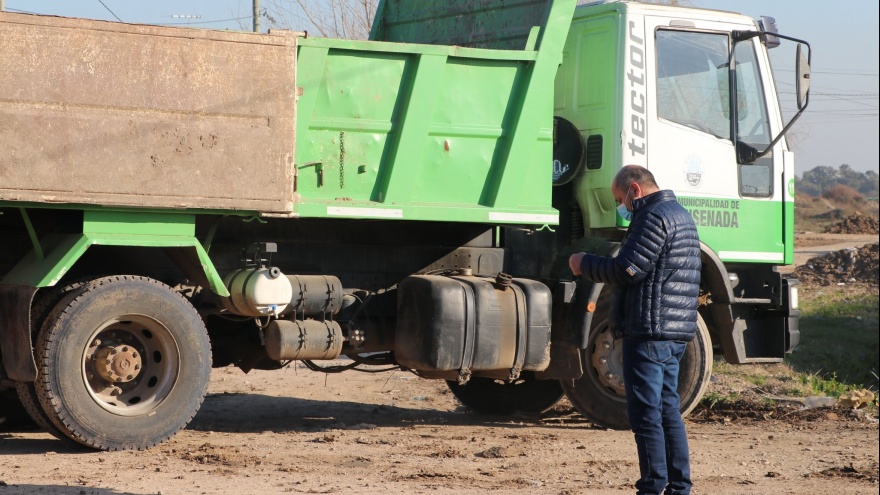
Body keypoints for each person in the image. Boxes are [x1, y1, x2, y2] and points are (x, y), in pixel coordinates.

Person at [569, 165, 700, 495]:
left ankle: (652, 487)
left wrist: (584, 263)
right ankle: (679, 487)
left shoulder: (653, 217)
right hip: (673, 332)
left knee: (645, 416)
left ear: (634, 189)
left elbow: (627, 269)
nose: (622, 207)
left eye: (620, 199)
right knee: (668, 411)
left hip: (648, 332)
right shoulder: (681, 215)